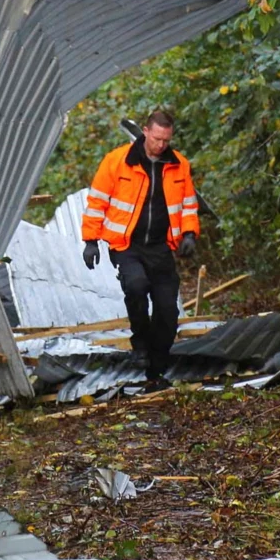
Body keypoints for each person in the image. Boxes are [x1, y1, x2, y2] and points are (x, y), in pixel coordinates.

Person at [79, 110, 199, 391]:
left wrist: (190, 233)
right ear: (145, 131)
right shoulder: (117, 161)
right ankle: (140, 343)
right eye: (157, 138)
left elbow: (188, 204)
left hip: (160, 246)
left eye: (166, 140)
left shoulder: (178, 165)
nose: (160, 145)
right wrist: (90, 241)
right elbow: (97, 202)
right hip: (126, 244)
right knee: (136, 285)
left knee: (168, 310)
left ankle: (156, 371)